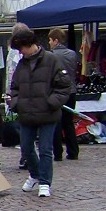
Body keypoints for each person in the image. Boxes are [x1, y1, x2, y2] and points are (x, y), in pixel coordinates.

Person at [8, 24, 72, 198]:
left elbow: (64, 86)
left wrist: (51, 102)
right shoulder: (22, 64)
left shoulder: (52, 60)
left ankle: (44, 181)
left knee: (45, 149)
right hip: (26, 113)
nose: (20, 53)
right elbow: (14, 87)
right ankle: (36, 174)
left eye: (21, 48)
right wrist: (16, 102)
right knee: (26, 148)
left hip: (47, 113)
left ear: (28, 44)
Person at [47, 27, 80, 161]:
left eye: (50, 40)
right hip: (71, 91)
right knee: (69, 122)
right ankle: (73, 151)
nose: (49, 43)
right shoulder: (72, 54)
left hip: (56, 92)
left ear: (55, 40)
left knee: (56, 122)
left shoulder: (50, 56)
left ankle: (58, 152)